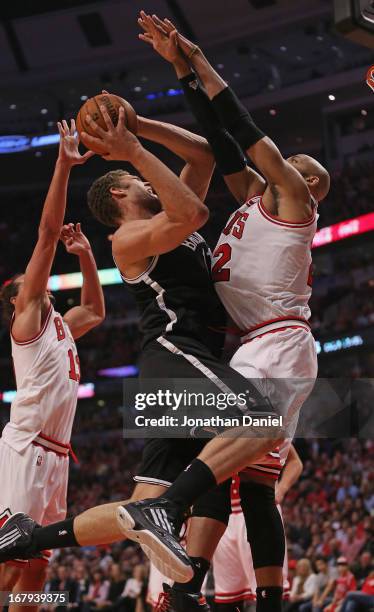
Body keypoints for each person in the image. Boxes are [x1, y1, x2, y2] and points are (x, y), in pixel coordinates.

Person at [0, 102, 280, 589]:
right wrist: (129, 150)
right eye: (137, 180)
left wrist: (140, 127)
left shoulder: (156, 219)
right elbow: (194, 212)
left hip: (170, 371)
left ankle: (31, 536)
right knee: (262, 424)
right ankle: (167, 513)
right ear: (118, 195)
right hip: (176, 355)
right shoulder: (130, 237)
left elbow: (205, 156)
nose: (150, 180)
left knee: (148, 500)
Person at [130, 11, 330, 611]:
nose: (287, 161)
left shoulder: (293, 200)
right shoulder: (250, 200)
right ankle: (255, 598)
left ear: (307, 183)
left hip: (278, 338)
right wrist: (184, 73)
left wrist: (204, 63)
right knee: (256, 485)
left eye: (297, 162)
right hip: (253, 342)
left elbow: (242, 129)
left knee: (222, 452)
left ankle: (174, 546)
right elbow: (222, 142)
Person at [0, 120, 104, 610]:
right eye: (29, 282)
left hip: (57, 454)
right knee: (10, 562)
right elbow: (45, 235)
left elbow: (96, 311)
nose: (37, 281)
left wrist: (85, 255)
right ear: (16, 300)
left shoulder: (60, 324)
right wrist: (63, 164)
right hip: (27, 448)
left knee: (40, 565)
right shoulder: (26, 323)